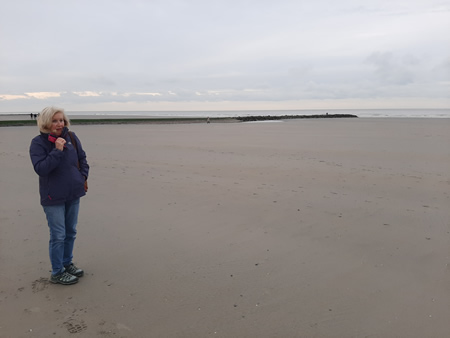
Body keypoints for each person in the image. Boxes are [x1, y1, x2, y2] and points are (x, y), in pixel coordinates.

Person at [29, 106, 89, 285]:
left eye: (61, 120)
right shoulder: (38, 143)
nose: (59, 124)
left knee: (71, 231)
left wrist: (82, 177)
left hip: (73, 192)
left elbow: (83, 159)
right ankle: (57, 272)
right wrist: (56, 150)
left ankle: (66, 263)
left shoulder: (71, 137)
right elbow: (41, 168)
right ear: (46, 122)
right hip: (52, 197)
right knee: (58, 235)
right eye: (55, 120)